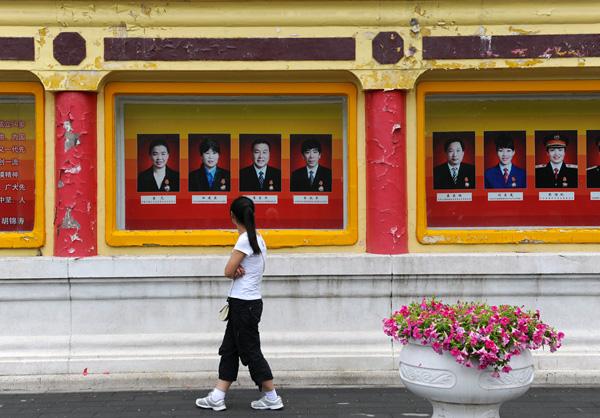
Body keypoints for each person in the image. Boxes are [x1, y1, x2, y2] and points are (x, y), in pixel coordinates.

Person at [196, 196, 284, 411]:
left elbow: (227, 271)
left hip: (244, 305)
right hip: (246, 304)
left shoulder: (245, 240)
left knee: (251, 352)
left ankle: (272, 397)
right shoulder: (258, 238)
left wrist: (233, 270)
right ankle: (217, 396)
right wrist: (236, 269)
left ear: (232, 216)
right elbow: (242, 269)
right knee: (229, 349)